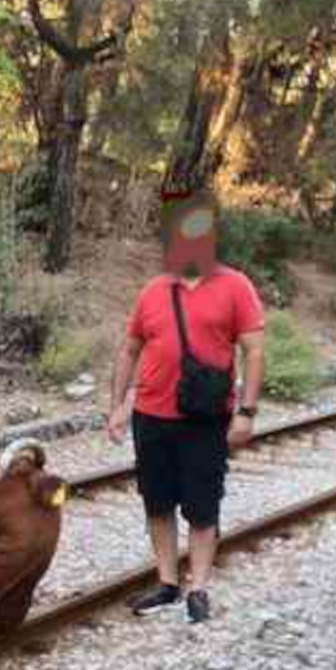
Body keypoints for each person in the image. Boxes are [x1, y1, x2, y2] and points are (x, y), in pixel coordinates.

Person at [105, 189, 266, 623]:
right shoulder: (154, 291)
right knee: (156, 502)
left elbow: (253, 350)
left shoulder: (236, 287)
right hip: (152, 417)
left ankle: (198, 587)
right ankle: (167, 582)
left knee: (202, 505)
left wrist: (246, 413)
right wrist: (118, 405)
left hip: (205, 418)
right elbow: (129, 349)